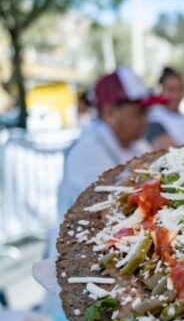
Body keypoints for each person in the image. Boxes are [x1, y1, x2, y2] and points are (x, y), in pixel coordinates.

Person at [57, 67, 160, 224]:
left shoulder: (137, 144)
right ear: (110, 112)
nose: (146, 120)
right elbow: (106, 212)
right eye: (139, 113)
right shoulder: (87, 151)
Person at [145, 67, 184, 150]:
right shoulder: (155, 121)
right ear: (161, 91)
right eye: (171, 90)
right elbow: (169, 153)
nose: (175, 95)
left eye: (179, 89)